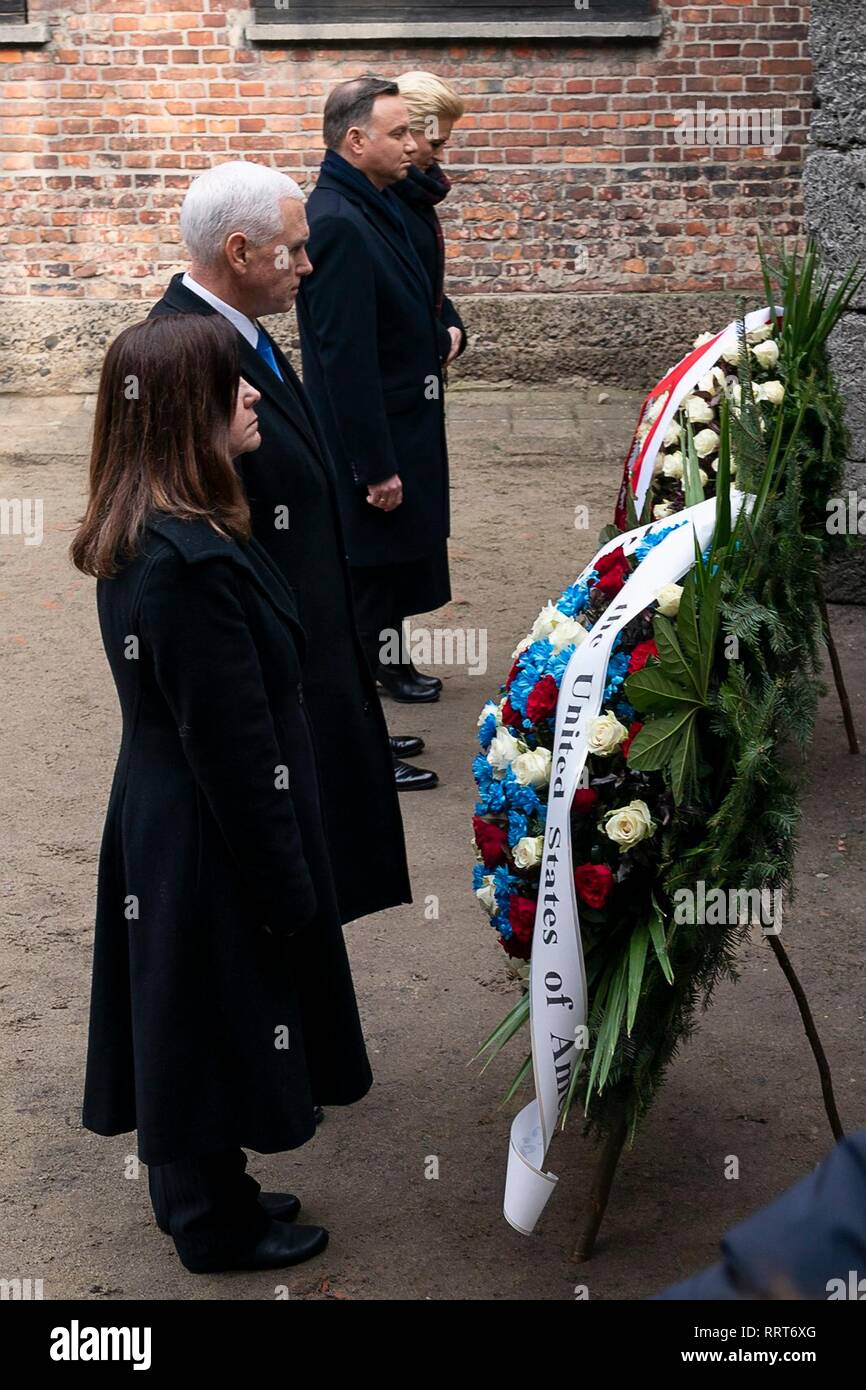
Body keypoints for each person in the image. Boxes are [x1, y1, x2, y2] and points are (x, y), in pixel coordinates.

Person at [72, 313, 373, 1273]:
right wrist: (288, 884)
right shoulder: (183, 569)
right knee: (207, 1009)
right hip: (207, 830)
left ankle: (206, 1192)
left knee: (186, 1004)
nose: (253, 397)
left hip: (172, 817)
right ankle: (213, 1226)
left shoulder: (164, 533)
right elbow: (236, 752)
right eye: (231, 387)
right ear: (179, 416)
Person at [150, 159, 417, 902]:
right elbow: (193, 536)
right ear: (239, 252)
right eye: (293, 250)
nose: (308, 264)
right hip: (270, 676)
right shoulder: (185, 355)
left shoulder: (240, 334)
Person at [297, 77, 455, 789]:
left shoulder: (377, 201)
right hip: (373, 440)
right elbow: (342, 360)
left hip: (402, 425)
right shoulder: (334, 220)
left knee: (385, 581)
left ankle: (369, 732)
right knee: (358, 600)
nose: (413, 145)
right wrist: (373, 467)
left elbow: (417, 280)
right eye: (398, 134)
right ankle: (359, 752)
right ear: (355, 141)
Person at [393, 70, 467, 364]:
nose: (440, 155)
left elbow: (424, 283)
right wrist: (438, 338)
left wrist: (451, 326)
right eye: (435, 144)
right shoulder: (385, 199)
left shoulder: (417, 193)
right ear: (405, 133)